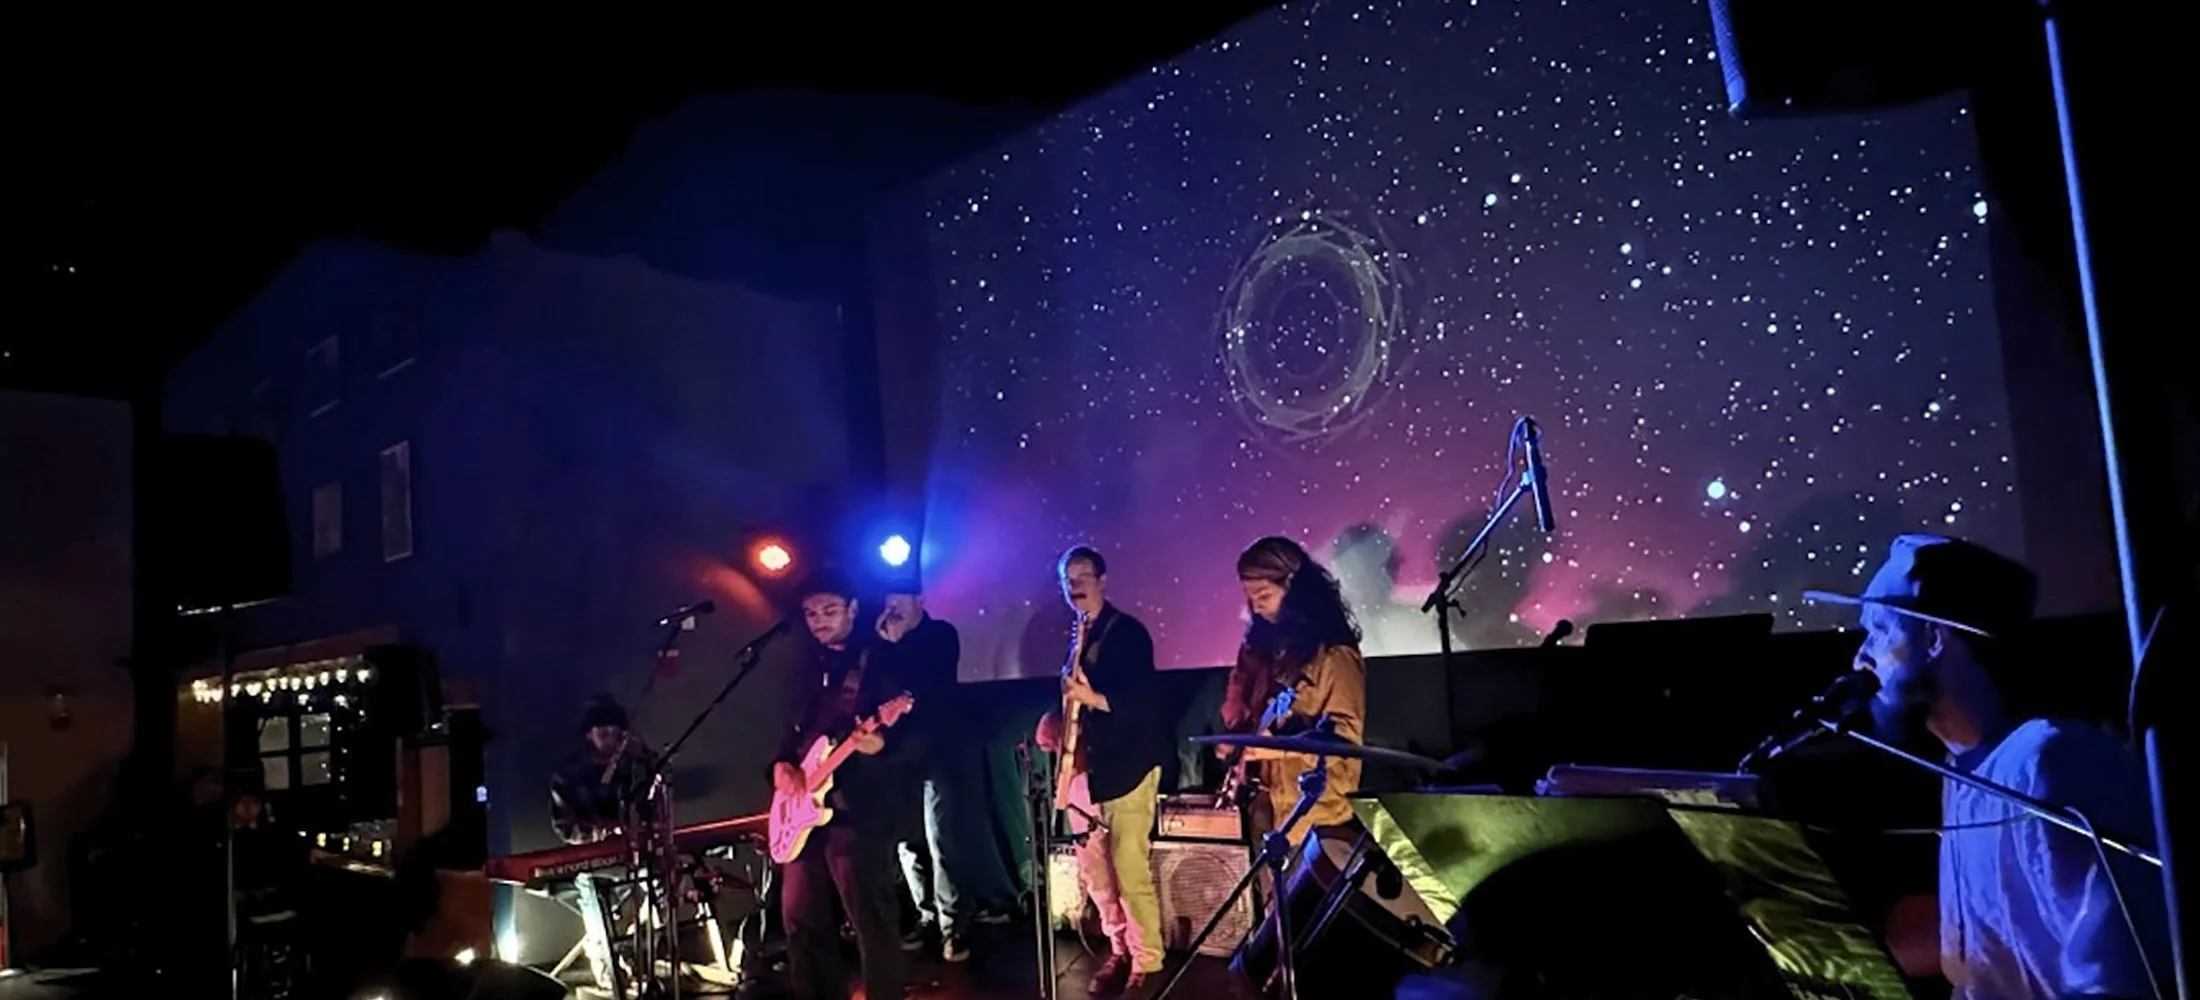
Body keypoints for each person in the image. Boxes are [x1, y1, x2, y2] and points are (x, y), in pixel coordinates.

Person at [1805, 534, 2169, 1000]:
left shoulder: (2050, 759)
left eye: (1880, 630)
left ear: (1936, 638)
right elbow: (1979, 974)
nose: (1861, 657)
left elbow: (2119, 978)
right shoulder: (1962, 774)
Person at [1034, 546, 1167, 997]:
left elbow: (1143, 703)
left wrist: (1091, 701)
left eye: (1083, 576)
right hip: (1085, 769)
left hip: (1128, 767)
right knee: (1096, 871)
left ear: (1103, 579)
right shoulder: (1079, 634)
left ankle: (1148, 960)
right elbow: (1074, 698)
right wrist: (1056, 718)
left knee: (1130, 867)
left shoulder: (1127, 633)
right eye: (1067, 579)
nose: (1075, 585)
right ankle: (1120, 947)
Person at [774, 572, 910, 1000]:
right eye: (811, 613)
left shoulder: (880, 661)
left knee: (871, 920)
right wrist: (780, 767)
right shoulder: (809, 666)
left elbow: (917, 735)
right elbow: (793, 735)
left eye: (830, 611)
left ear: (853, 608)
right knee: (800, 918)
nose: (819, 621)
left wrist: (879, 743)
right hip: (803, 812)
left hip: (857, 810)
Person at [1220, 535, 1368, 846]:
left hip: (1317, 815)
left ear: (1294, 589)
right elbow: (1241, 709)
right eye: (1249, 597)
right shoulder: (1259, 650)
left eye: (1263, 595)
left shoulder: (1334, 655)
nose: (1256, 607)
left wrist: (1278, 747)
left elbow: (1345, 738)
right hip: (1265, 807)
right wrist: (1236, 742)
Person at [873, 580, 977, 962]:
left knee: (942, 839)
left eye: (899, 598)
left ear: (919, 600)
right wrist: (886, 647)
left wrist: (898, 645)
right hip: (899, 755)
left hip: (939, 751)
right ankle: (926, 916)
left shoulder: (940, 635)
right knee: (908, 842)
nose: (892, 606)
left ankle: (955, 926)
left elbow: (931, 685)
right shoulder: (883, 642)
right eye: (888, 599)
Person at [547, 695, 650, 992]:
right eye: (601, 733)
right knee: (594, 892)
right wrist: (601, 833)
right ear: (589, 735)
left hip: (631, 855)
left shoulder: (633, 767)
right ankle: (608, 967)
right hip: (590, 857)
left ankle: (619, 941)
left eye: (614, 733)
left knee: (662, 885)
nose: (609, 739)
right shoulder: (567, 774)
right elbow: (565, 826)